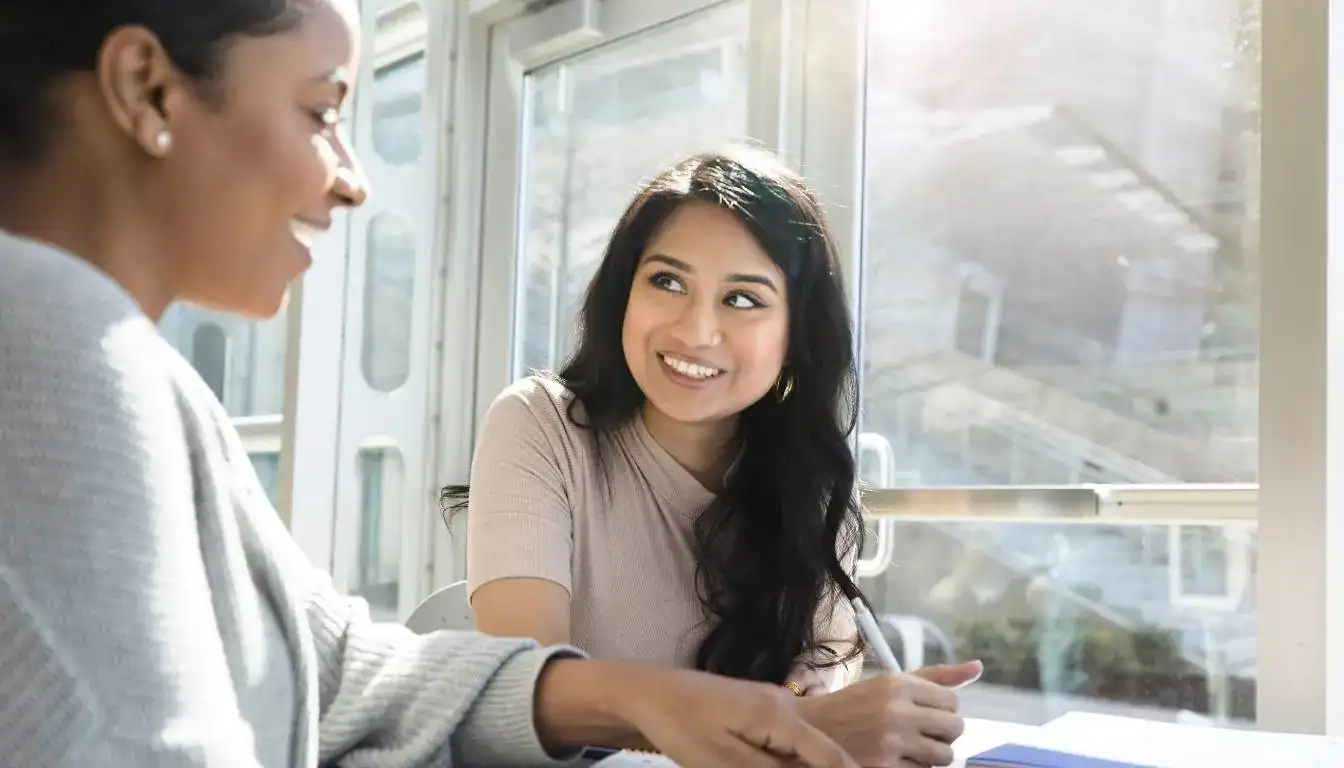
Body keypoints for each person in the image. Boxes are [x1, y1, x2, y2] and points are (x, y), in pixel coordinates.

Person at [0, 2, 967, 767]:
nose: (353, 181)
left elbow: (337, 668)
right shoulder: (52, 346)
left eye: (747, 301)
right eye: (321, 111)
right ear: (147, 89)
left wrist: (662, 705)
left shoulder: (137, 372)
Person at [449, 149, 983, 702]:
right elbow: (529, 686)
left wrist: (825, 702)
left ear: (796, 339)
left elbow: (823, 662)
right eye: (667, 282)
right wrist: (758, 720)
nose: (697, 331)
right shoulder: (540, 426)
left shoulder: (810, 483)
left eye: (742, 299)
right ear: (623, 295)